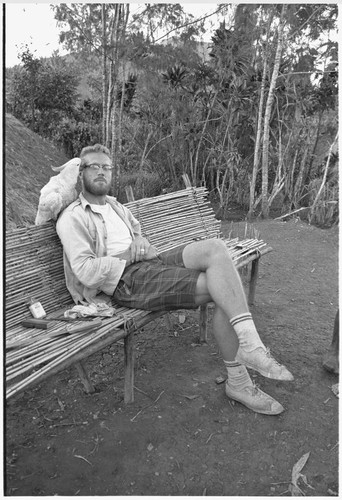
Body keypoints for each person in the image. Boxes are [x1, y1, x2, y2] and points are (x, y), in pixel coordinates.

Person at [56, 143, 294, 416]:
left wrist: (140, 241)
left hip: (150, 262)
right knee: (223, 289)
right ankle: (240, 380)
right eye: (93, 166)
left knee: (215, 249)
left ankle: (250, 346)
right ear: (80, 173)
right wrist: (128, 255)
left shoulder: (115, 206)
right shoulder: (72, 217)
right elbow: (84, 270)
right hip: (126, 280)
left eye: (106, 167)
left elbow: (136, 231)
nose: (101, 172)